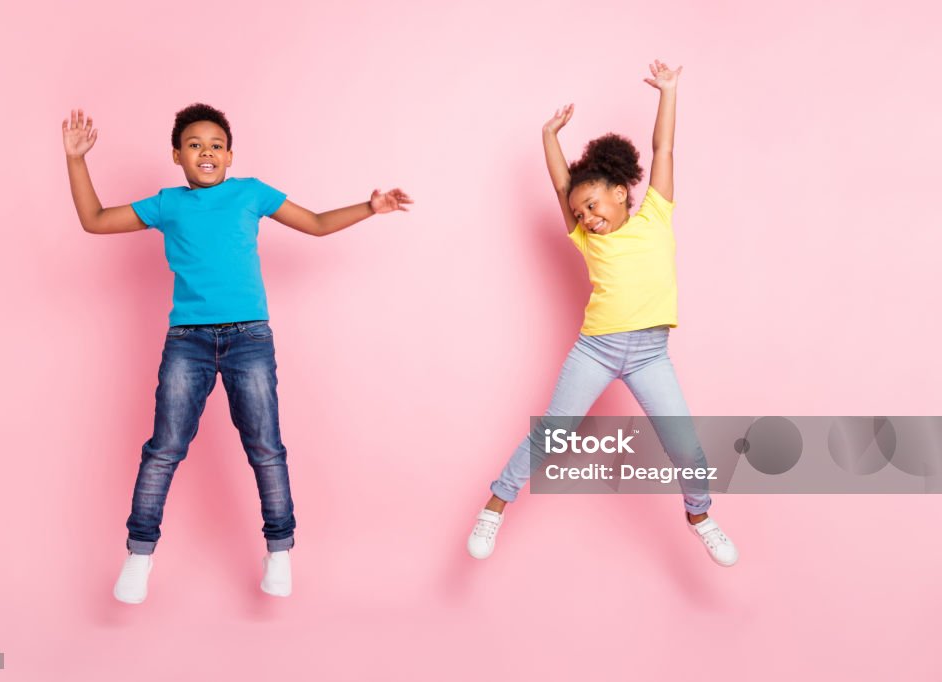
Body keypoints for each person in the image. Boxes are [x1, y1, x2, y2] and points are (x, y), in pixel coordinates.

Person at [62, 103, 413, 603]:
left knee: (265, 447)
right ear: (177, 156)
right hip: (189, 342)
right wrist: (77, 160)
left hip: (249, 339)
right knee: (164, 449)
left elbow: (313, 222)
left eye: (216, 145)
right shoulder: (167, 204)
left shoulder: (251, 193)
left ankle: (280, 550)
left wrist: (368, 207)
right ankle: (139, 556)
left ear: (230, 155)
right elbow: (94, 220)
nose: (206, 152)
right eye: (195, 145)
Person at [467, 61, 738, 567]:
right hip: (597, 349)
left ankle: (700, 517)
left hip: (651, 356)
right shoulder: (583, 238)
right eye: (579, 214)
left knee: (688, 449)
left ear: (620, 192)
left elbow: (663, 149)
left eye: (592, 205)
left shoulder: (656, 215)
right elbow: (560, 180)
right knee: (551, 432)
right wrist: (548, 135)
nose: (587, 218)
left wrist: (669, 92)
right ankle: (494, 508)